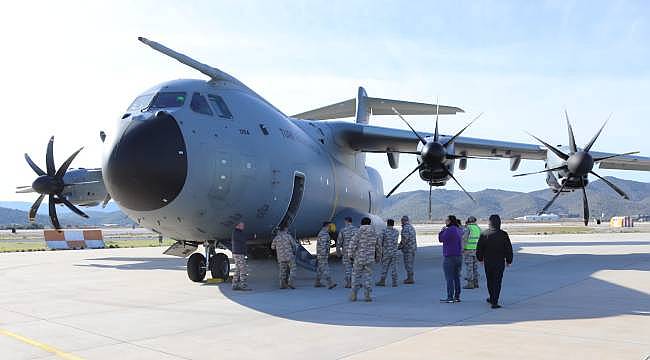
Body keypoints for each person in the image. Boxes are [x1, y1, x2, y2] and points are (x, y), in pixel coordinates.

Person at [476, 214, 513, 309]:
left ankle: (492, 297)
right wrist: (509, 260)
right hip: (499, 262)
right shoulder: (503, 234)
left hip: (488, 262)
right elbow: (508, 249)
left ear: (490, 223)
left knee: (490, 280)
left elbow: (479, 249)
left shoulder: (484, 234)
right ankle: (494, 300)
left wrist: (480, 258)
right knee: (497, 281)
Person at [349, 217, 380, 302]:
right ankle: (367, 295)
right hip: (370, 259)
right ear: (369, 223)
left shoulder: (358, 231)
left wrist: (350, 255)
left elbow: (353, 244)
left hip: (359, 258)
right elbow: (378, 246)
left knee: (356, 277)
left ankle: (354, 295)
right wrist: (378, 257)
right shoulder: (374, 233)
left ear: (361, 223)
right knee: (368, 277)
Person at [438, 215, 463, 303]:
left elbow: (441, 239)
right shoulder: (459, 230)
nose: (445, 221)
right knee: (456, 277)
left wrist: (441, 231)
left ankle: (450, 297)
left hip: (450, 256)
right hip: (459, 256)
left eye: (446, 220)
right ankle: (457, 296)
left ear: (450, 221)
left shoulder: (449, 230)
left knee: (449, 278)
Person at [271, 225, 297, 289]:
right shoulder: (288, 236)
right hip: (289, 256)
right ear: (285, 229)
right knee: (293, 269)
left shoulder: (276, 238)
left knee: (282, 271)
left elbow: (272, 247)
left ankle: (282, 285)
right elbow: (294, 244)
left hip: (281, 257)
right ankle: (290, 283)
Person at [376, 219, 399, 287]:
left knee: (385, 267)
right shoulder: (396, 232)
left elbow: (379, 242)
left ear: (387, 224)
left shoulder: (384, 231)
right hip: (394, 251)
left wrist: (379, 252)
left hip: (386, 252)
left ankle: (382, 281)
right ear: (393, 224)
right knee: (394, 267)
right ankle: (394, 282)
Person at [336, 217, 357, 288]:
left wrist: (338, 251)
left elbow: (339, 242)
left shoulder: (343, 230)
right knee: (355, 267)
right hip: (355, 252)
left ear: (346, 221)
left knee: (347, 267)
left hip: (346, 252)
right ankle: (355, 282)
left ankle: (349, 283)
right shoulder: (356, 230)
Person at [315, 222, 337, 289]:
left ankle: (317, 282)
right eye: (330, 226)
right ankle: (330, 283)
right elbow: (323, 245)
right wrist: (324, 254)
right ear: (327, 226)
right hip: (322, 254)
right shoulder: (324, 234)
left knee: (320, 268)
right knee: (325, 268)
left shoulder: (323, 233)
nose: (331, 228)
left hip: (321, 254)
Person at [462, 216, 481, 289]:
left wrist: (462, 248)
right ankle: (476, 283)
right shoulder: (478, 228)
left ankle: (470, 283)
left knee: (469, 267)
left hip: (469, 250)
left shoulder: (468, 228)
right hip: (476, 250)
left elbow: (464, 239)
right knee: (475, 267)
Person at [231, 222, 251, 291]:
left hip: (237, 253)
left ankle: (234, 285)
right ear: (238, 226)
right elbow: (243, 239)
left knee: (238, 269)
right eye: (242, 225)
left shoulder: (237, 233)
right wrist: (252, 236)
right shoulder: (237, 233)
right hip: (239, 254)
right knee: (243, 269)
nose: (243, 227)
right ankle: (243, 285)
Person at [399, 215, 417, 284]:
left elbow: (405, 239)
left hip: (408, 249)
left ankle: (410, 278)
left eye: (402, 221)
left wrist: (400, 246)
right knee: (411, 263)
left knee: (408, 264)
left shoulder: (405, 228)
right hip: (412, 248)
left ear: (403, 221)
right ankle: (410, 277)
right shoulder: (411, 227)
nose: (401, 222)